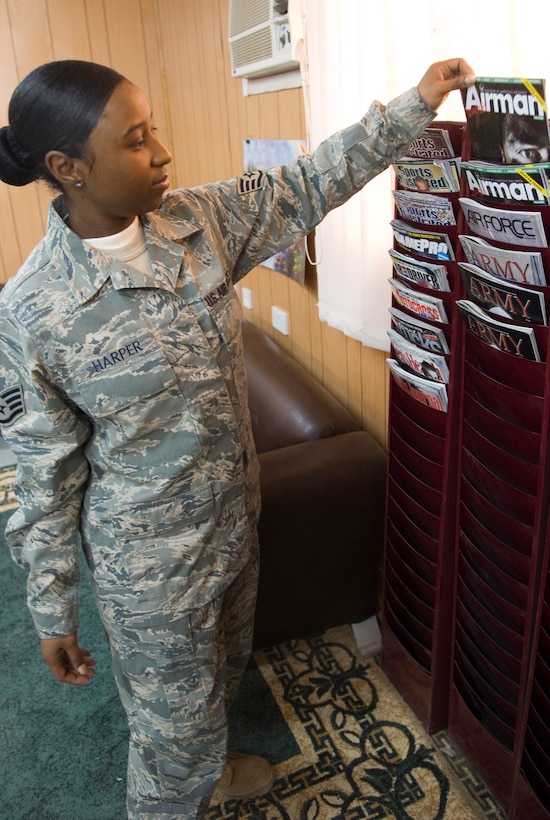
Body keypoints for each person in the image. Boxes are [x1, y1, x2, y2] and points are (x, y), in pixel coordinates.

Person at [0, 56, 475, 819]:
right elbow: (43, 476)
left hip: (233, 525)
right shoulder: (34, 310)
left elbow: (309, 181)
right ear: (68, 168)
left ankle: (215, 767)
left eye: (153, 130)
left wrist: (415, 104)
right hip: (150, 574)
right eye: (134, 141)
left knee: (218, 683)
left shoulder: (197, 221)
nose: (162, 154)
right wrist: (52, 608)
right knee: (168, 747)